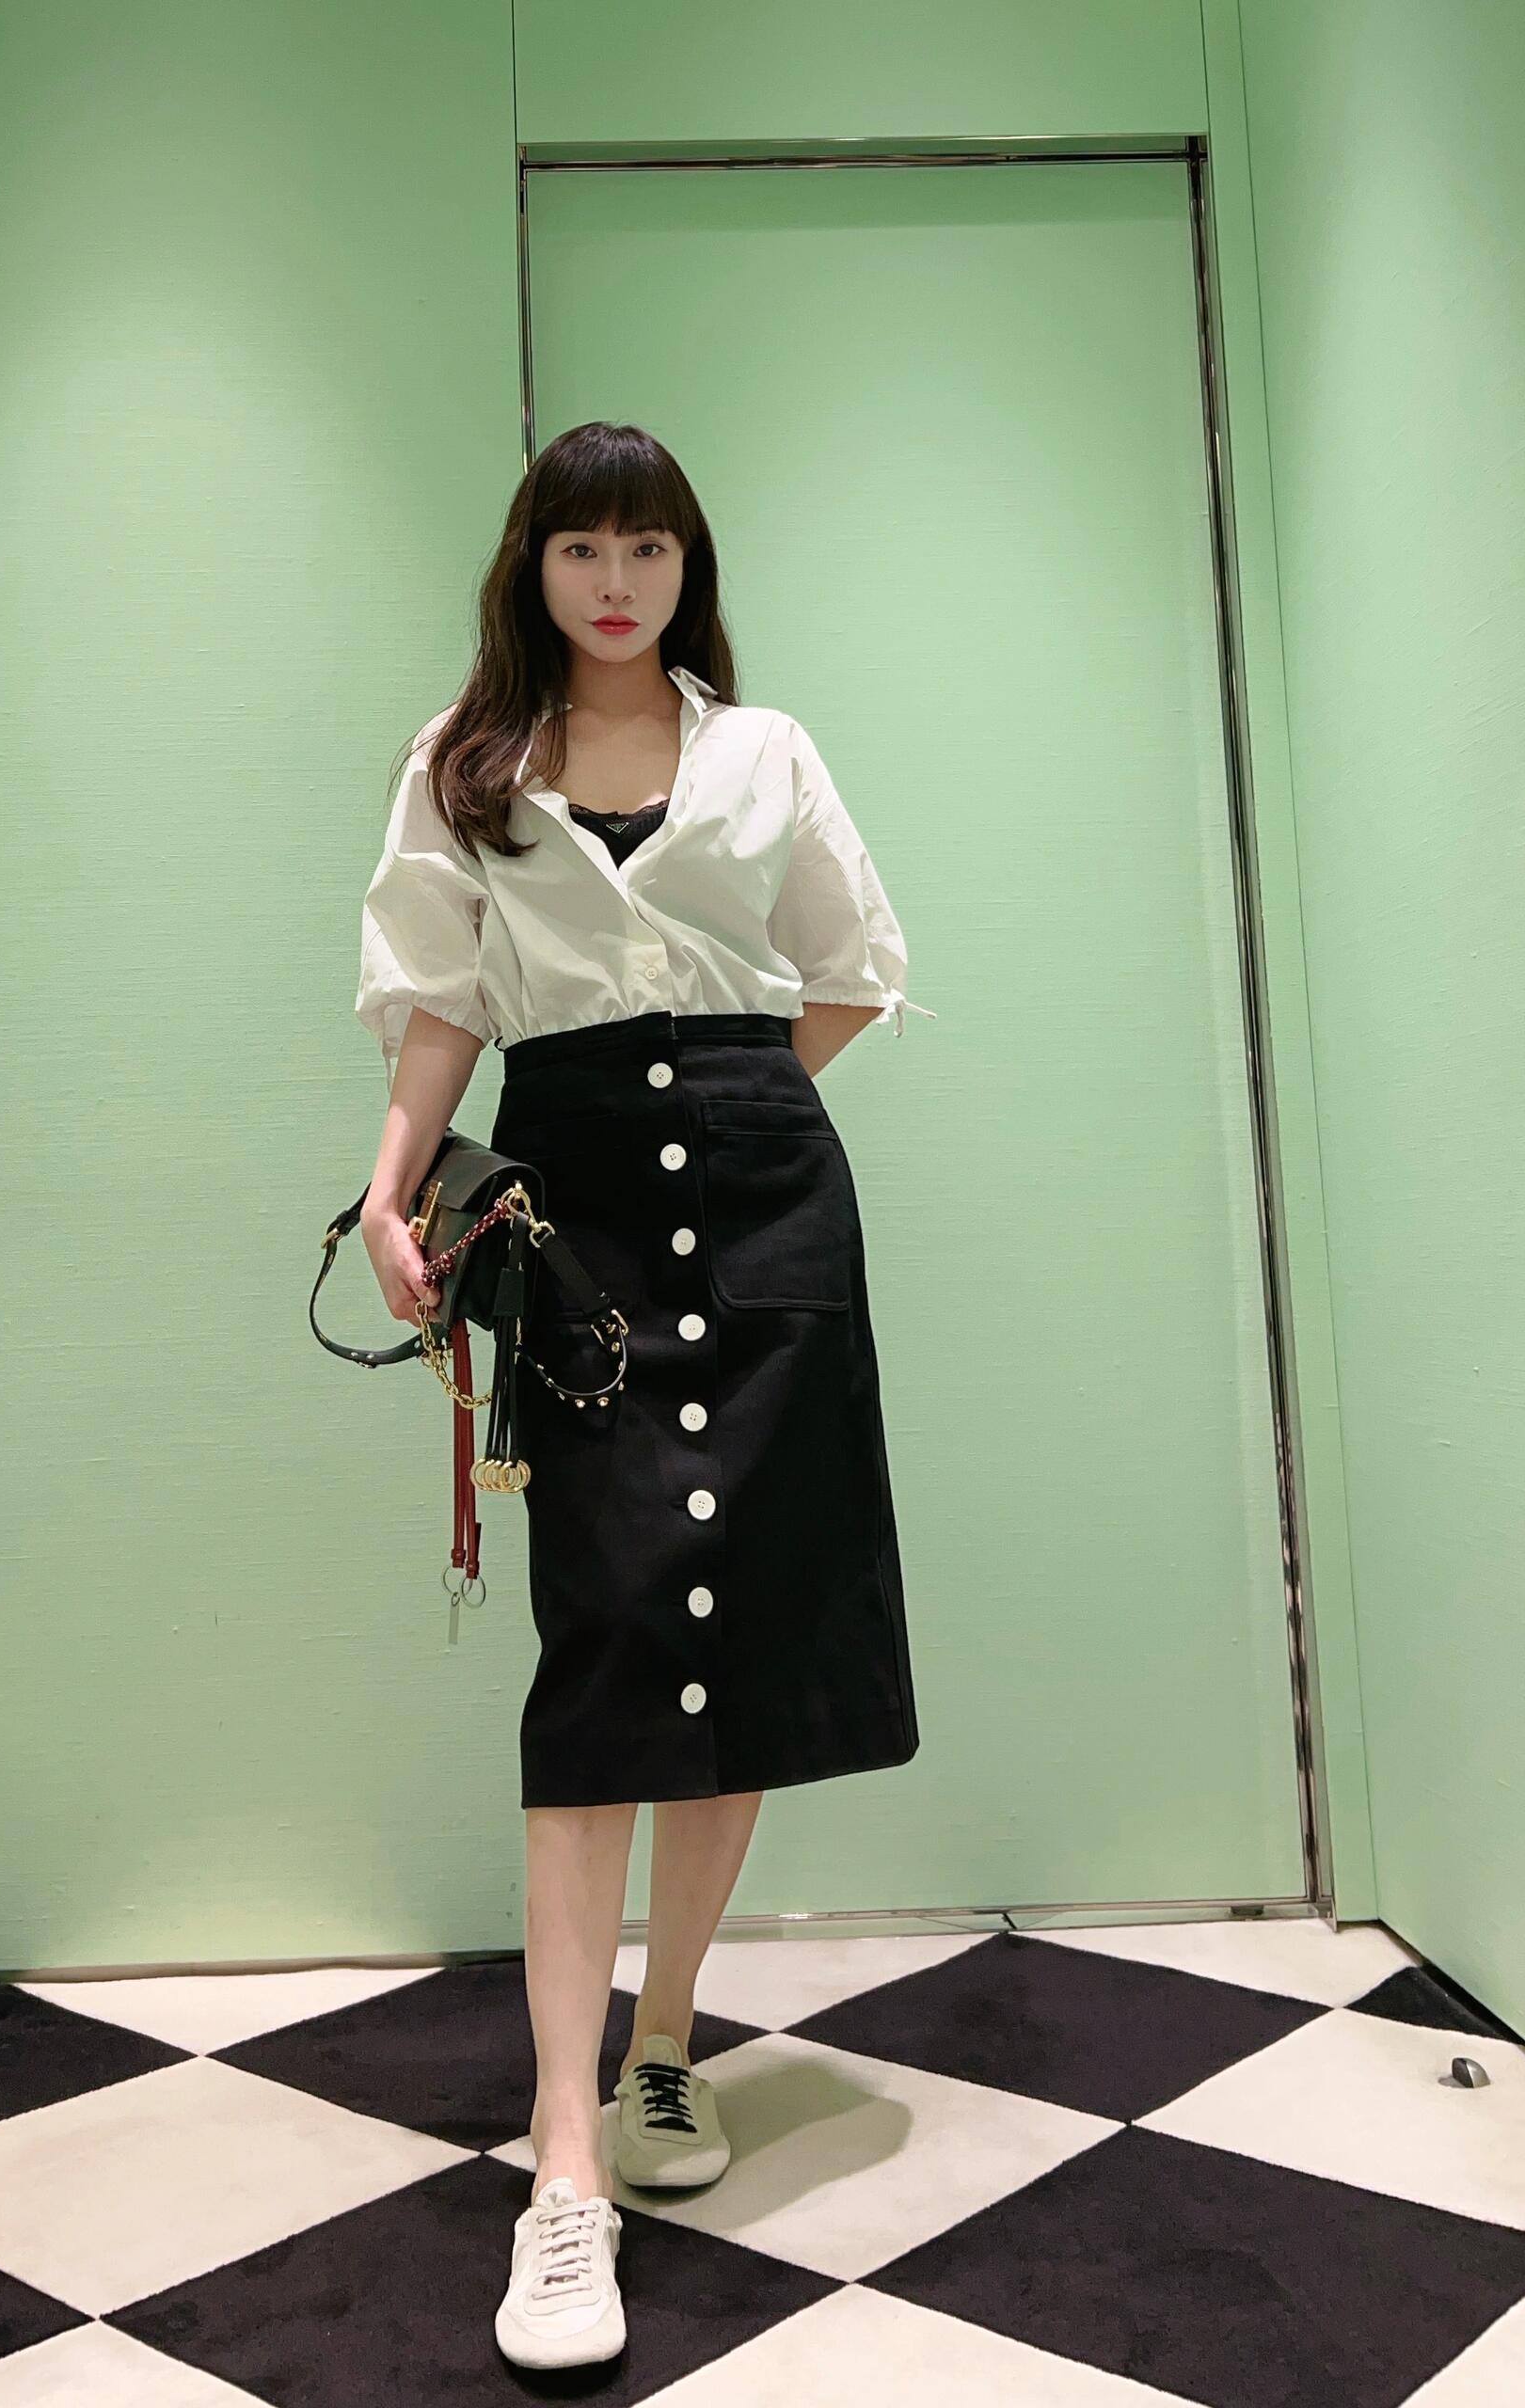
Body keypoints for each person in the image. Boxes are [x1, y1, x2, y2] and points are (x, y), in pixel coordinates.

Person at [353, 420, 934, 2370]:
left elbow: (853, 966)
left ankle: (669, 2036)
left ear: (690, 569)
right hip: (573, 1203)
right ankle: (564, 2156)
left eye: (650, 550)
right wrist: (392, 1185)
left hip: (766, 1211)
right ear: (531, 564)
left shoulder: (763, 752)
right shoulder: (465, 761)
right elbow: (442, 998)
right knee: (602, 1640)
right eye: (583, 548)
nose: (617, 584)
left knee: (741, 1616)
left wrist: (736, 1096)